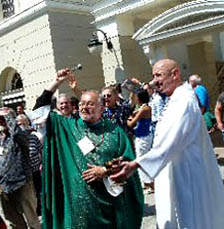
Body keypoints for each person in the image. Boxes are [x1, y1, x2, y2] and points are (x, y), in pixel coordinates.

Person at [110, 59, 224, 228]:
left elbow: (170, 142)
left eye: (159, 75)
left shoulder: (184, 101)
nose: (154, 80)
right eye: (153, 76)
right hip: (175, 170)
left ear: (175, 74)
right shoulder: (175, 99)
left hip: (187, 175)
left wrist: (135, 164)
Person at [35, 69, 143, 228]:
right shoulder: (67, 127)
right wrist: (56, 82)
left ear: (101, 108)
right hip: (78, 212)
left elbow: (128, 162)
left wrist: (104, 170)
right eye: (81, 104)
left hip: (109, 208)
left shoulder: (115, 133)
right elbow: (39, 110)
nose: (84, 107)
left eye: (90, 104)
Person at [0, 108, 40, 229]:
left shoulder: (21, 135)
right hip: (3, 184)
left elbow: (18, 135)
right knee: (11, 218)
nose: (0, 121)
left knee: (31, 218)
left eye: (3, 119)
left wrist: (9, 118)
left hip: (22, 182)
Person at [126, 89, 153, 190]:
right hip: (141, 136)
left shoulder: (145, 108)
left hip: (143, 137)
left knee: (141, 160)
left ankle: (149, 182)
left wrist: (128, 118)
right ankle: (146, 183)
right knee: (141, 159)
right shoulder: (143, 107)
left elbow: (131, 123)